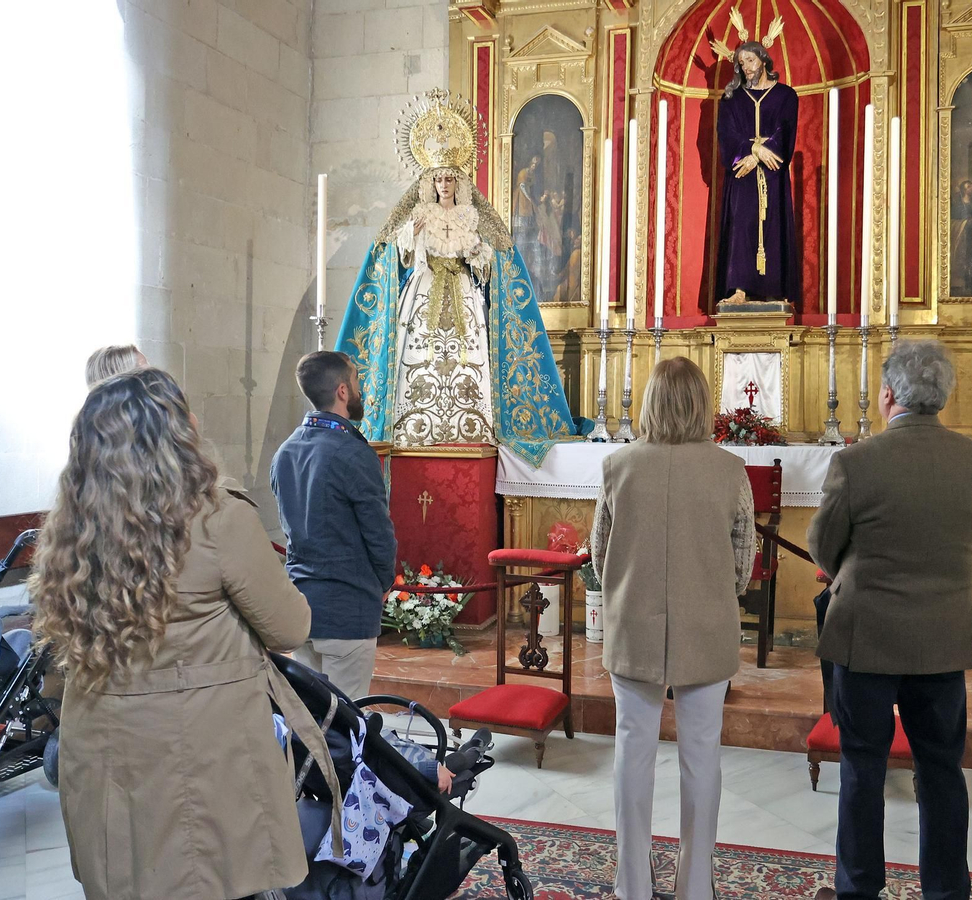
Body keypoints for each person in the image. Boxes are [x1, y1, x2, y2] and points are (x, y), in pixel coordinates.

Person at [31, 368, 318, 900]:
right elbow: (290, 627)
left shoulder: (71, 529)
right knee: (207, 878)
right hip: (199, 747)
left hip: (104, 743)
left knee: (132, 876)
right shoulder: (216, 520)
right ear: (177, 436)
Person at [807, 340, 972, 900]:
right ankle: (945, 891)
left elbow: (822, 545)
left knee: (863, 769)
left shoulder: (856, 462)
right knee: (941, 770)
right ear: (943, 396)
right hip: (942, 640)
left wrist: (855, 569)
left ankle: (859, 891)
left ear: (888, 395)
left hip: (866, 639)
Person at [590, 357, 755, 900]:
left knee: (632, 754)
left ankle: (632, 884)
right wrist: (708, 595)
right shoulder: (730, 469)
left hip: (632, 626)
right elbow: (743, 563)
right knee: (702, 757)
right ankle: (694, 888)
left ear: (651, 402)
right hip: (706, 627)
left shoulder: (618, 466)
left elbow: (598, 554)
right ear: (702, 405)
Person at [337, 91, 574, 466]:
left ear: (457, 182)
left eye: (450, 179)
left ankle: (471, 424)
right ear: (430, 182)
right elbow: (395, 254)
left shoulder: (471, 216)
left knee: (469, 352)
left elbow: (490, 261)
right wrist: (409, 237)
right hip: (425, 288)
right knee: (419, 351)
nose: (444, 185)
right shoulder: (418, 213)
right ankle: (415, 423)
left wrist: (479, 254)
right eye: (439, 179)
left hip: (462, 292)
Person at [271, 350, 397, 702]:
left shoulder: (286, 451)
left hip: (302, 607)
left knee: (313, 720)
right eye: (355, 380)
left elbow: (290, 529)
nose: (359, 389)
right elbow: (379, 534)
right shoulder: (353, 453)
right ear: (342, 391)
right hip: (347, 610)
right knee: (348, 725)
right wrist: (383, 582)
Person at [715, 34, 800, 307]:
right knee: (741, 227)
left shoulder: (786, 95)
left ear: (763, 59)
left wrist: (764, 153)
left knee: (773, 225)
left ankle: (774, 290)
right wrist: (753, 151)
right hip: (741, 176)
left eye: (750, 60)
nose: (747, 67)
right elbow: (726, 134)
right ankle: (738, 289)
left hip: (772, 175)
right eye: (741, 63)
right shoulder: (731, 99)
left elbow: (785, 131)